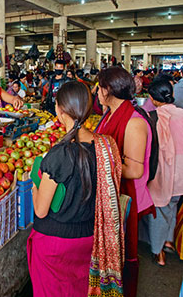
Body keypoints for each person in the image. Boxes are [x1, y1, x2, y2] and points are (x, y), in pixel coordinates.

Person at [28, 81, 124, 297]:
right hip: (90, 241)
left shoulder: (59, 155)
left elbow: (41, 210)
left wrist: (35, 184)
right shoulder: (106, 146)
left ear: (60, 111)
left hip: (55, 245)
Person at [95, 66, 155, 297]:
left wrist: (97, 163)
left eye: (99, 88)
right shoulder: (110, 113)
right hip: (111, 190)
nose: (96, 93)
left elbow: (134, 169)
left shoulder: (134, 121)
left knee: (123, 251)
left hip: (124, 196)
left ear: (108, 90)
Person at [145, 80, 183, 266]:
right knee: (173, 204)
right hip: (181, 173)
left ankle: (158, 251)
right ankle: (169, 240)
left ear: (152, 98)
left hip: (163, 172)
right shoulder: (181, 114)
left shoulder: (153, 117)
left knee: (159, 210)